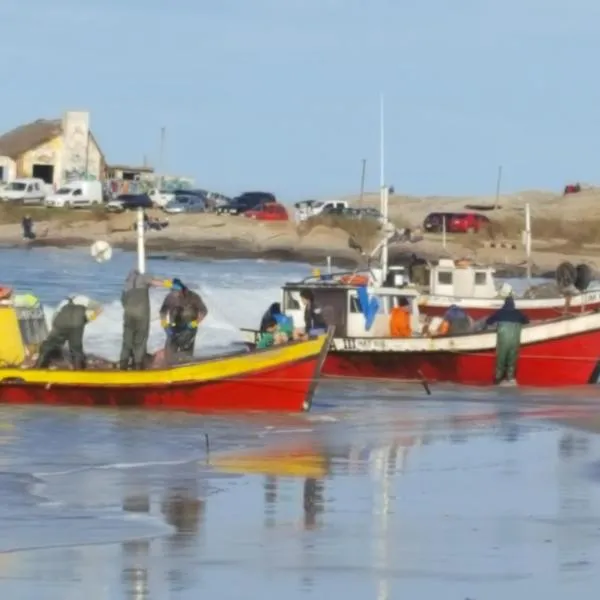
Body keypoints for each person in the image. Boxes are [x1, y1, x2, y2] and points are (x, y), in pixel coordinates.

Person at [120, 268, 171, 370]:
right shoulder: (142, 277)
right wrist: (170, 284)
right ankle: (138, 365)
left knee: (127, 341)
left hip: (128, 315)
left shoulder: (126, 285)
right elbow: (156, 283)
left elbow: (123, 302)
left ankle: (123, 367)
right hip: (141, 315)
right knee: (140, 341)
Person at [35, 297, 102, 369]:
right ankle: (79, 370)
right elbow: (99, 309)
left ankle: (39, 368)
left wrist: (56, 330)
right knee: (76, 348)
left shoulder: (63, 302)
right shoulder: (84, 299)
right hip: (77, 323)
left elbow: (55, 317)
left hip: (60, 323)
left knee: (48, 346)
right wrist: (87, 319)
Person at [160, 278, 208, 363]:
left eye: (175, 291)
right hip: (174, 327)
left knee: (186, 353)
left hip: (189, 327)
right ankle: (170, 367)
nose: (174, 294)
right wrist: (165, 324)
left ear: (181, 289)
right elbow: (163, 311)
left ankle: (187, 367)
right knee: (169, 351)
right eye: (172, 291)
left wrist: (196, 322)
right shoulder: (170, 297)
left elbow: (204, 311)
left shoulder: (193, 296)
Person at [484, 295, 529, 385]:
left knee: (501, 360)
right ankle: (510, 378)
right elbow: (527, 321)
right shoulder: (518, 313)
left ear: (505, 304)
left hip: (503, 340)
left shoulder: (500, 312)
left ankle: (498, 379)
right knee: (512, 360)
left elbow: (488, 321)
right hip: (515, 340)